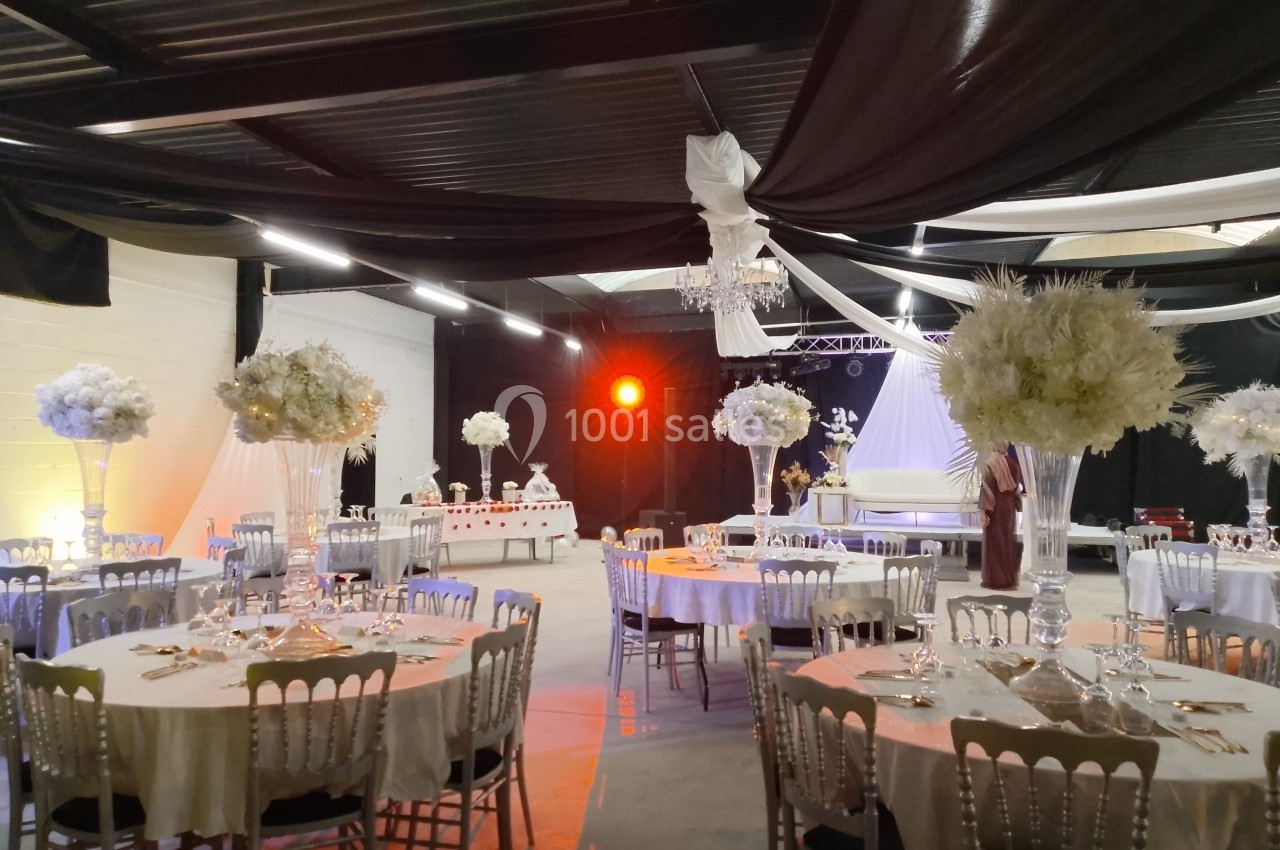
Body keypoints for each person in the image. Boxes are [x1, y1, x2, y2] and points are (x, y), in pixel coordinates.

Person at [980, 444, 1022, 590]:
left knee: (994, 542)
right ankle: (1008, 579)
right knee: (1007, 541)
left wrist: (983, 511)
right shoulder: (1013, 464)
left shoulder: (991, 464)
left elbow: (987, 489)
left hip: (995, 507)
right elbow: (1016, 488)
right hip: (1009, 507)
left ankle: (995, 580)